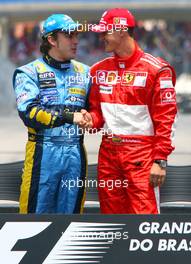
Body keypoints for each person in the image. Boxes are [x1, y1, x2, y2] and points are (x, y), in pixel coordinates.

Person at [82, 8, 177, 214]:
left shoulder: (158, 70)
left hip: (142, 155)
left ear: (122, 31)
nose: (101, 37)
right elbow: (97, 116)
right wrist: (90, 120)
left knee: (144, 220)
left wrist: (160, 160)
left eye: (105, 32)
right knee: (111, 221)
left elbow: (167, 120)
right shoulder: (97, 70)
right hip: (108, 154)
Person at [13, 14, 90, 214]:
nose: (75, 41)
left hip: (75, 153)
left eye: (76, 35)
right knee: (34, 219)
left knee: (72, 221)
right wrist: (68, 116)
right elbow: (28, 112)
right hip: (42, 152)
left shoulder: (86, 73)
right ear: (52, 39)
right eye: (69, 35)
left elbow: (97, 112)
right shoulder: (28, 73)